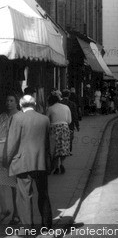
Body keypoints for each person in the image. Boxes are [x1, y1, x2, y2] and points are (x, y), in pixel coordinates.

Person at [6, 95, 52, 229]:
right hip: (40, 162)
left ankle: (27, 228)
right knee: (43, 193)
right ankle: (47, 224)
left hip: (23, 163)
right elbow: (48, 143)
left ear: (20, 105)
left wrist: (7, 161)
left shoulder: (17, 118)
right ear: (35, 104)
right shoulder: (44, 119)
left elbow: (12, 143)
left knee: (24, 196)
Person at [0, 92, 20, 224]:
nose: (8, 103)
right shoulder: (2, 117)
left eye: (11, 101)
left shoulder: (20, 116)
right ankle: (4, 209)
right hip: (1, 153)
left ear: (16, 102)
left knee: (14, 186)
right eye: (7, 101)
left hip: (15, 154)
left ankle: (16, 214)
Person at [46, 92, 71, 174]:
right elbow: (69, 120)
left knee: (55, 148)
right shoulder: (66, 107)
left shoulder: (50, 108)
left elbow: (46, 121)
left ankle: (56, 167)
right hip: (64, 127)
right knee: (64, 147)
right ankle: (62, 164)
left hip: (54, 129)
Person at [61, 89, 80, 155]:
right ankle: (68, 150)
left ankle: (62, 149)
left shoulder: (59, 102)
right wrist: (77, 125)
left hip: (61, 121)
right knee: (70, 137)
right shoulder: (72, 104)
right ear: (69, 95)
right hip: (70, 123)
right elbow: (75, 115)